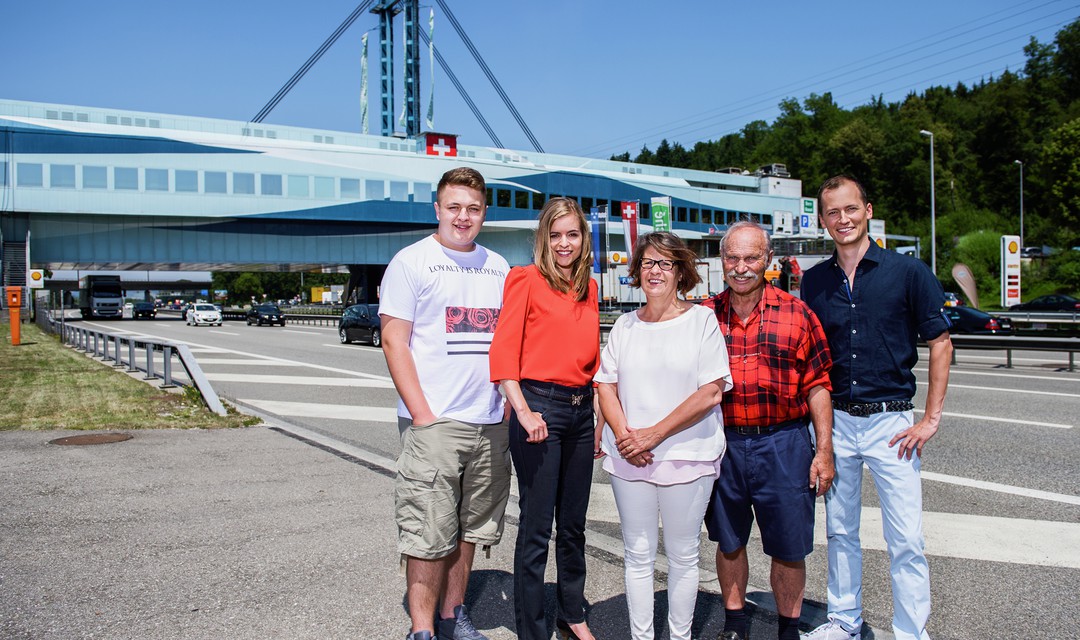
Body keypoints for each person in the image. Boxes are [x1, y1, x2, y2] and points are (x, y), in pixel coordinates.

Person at [800, 175, 952, 640]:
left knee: (905, 538)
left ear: (868, 209)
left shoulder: (908, 272)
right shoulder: (814, 281)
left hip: (891, 422)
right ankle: (844, 621)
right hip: (836, 424)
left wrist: (930, 419)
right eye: (832, 212)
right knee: (841, 531)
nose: (842, 219)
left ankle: (911, 632)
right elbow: (807, 358)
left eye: (850, 209)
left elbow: (941, 342)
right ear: (822, 220)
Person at [380, 167, 511, 640]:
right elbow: (394, 340)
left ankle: (455, 616)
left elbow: (508, 342)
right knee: (427, 530)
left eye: (473, 208)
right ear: (437, 209)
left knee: (471, 528)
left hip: (491, 421)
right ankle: (422, 629)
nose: (463, 217)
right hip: (435, 422)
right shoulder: (411, 262)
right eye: (453, 207)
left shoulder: (498, 267)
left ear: (484, 213)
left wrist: (508, 406)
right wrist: (422, 416)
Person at [595, 232, 733, 640]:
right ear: (637, 271)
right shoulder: (624, 324)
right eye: (648, 263)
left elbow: (711, 390)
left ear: (681, 272)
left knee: (683, 555)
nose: (656, 271)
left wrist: (652, 435)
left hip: (687, 455)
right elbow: (605, 384)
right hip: (629, 457)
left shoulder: (701, 321)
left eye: (665, 263)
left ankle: (679, 636)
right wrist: (625, 436)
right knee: (636, 556)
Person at [701, 221, 834, 640]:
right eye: (733, 258)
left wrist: (824, 451)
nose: (742, 267)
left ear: (769, 261)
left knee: (789, 547)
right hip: (723, 443)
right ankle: (736, 623)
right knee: (729, 540)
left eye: (751, 258)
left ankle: (788, 630)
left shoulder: (799, 314)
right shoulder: (703, 316)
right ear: (722, 261)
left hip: (784, 442)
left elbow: (818, 386)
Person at [488, 197, 602, 640]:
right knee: (536, 529)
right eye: (555, 235)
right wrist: (523, 410)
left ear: (583, 238)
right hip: (538, 408)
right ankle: (531, 630)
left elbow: (589, 362)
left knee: (574, 527)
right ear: (543, 238)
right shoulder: (525, 280)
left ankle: (571, 614)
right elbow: (503, 354)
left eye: (572, 234)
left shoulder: (588, 286)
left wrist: (598, 422)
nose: (564, 243)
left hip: (579, 411)